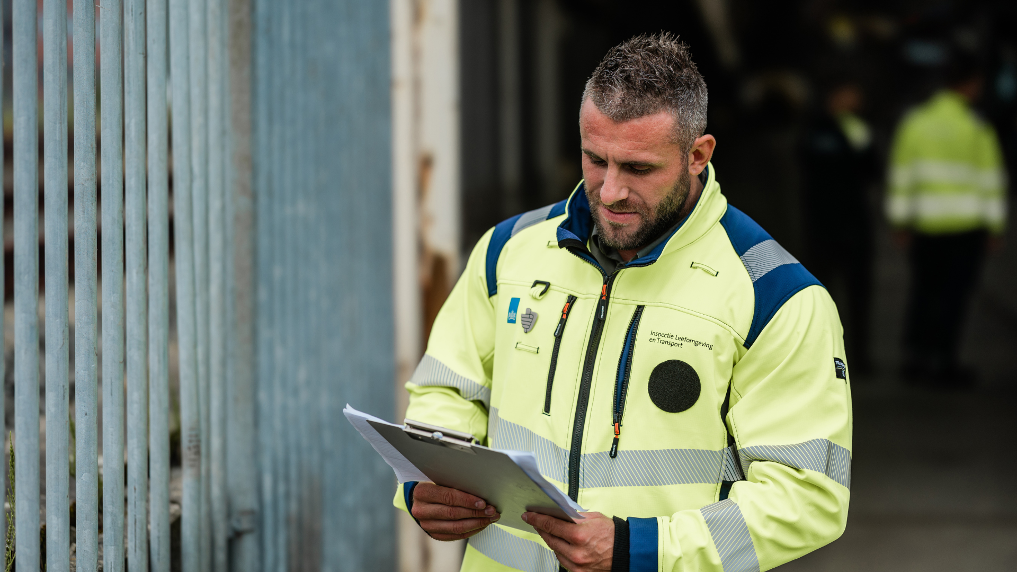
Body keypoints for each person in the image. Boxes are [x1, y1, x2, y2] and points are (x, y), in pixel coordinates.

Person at [395, 33, 853, 572]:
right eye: (595, 160)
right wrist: (425, 483)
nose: (610, 191)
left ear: (697, 156)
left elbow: (807, 498)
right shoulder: (507, 253)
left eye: (638, 169)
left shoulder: (776, 297)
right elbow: (446, 392)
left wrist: (639, 551)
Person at [886, 54, 1008, 387]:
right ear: (968, 85)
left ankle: (914, 357)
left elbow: (902, 174)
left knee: (924, 290)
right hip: (966, 227)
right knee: (954, 295)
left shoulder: (915, 123)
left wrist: (899, 221)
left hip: (926, 225)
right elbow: (991, 179)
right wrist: (995, 226)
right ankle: (944, 361)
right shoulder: (977, 127)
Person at [800, 80, 878, 374]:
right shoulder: (815, 128)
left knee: (859, 294)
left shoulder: (859, 127)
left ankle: (860, 356)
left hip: (855, 222)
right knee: (820, 295)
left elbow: (872, 168)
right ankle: (825, 356)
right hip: (823, 224)